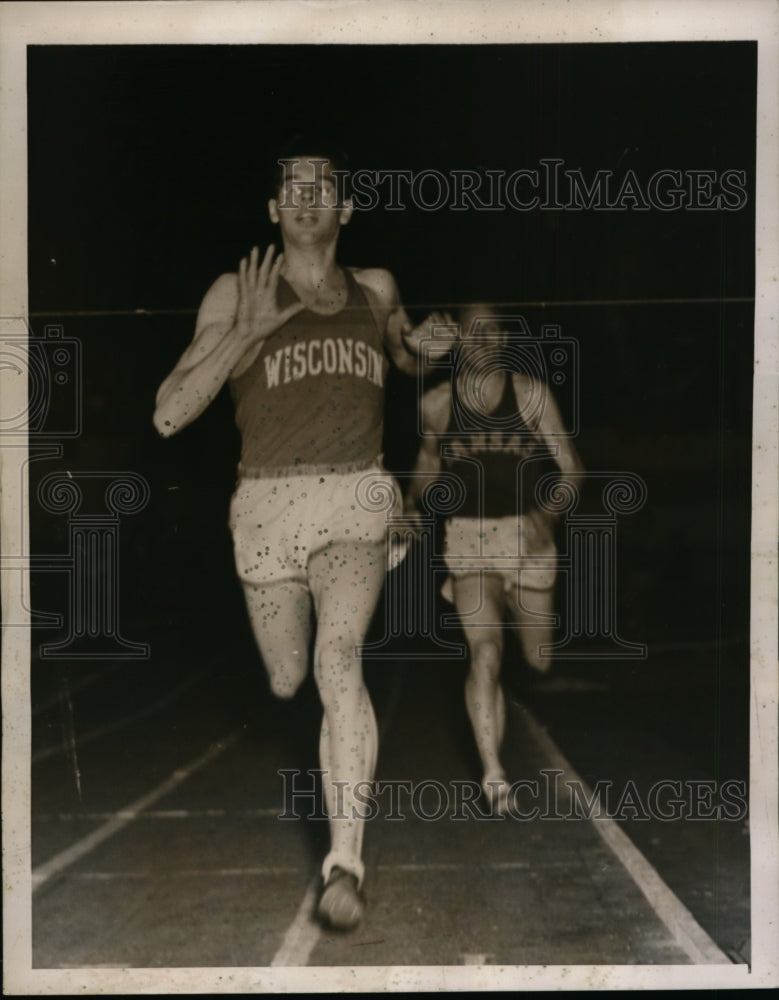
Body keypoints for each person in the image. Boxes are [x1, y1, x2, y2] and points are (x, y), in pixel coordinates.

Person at [153, 146, 452, 930]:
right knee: (287, 680)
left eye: (323, 187)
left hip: (354, 488)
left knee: (338, 658)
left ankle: (344, 860)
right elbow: (169, 412)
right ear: (273, 210)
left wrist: (423, 345)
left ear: (345, 210)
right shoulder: (235, 291)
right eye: (293, 187)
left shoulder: (375, 286)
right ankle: (337, 829)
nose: (308, 196)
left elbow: (400, 346)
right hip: (266, 504)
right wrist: (241, 334)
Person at [404, 305, 583, 813]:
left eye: (492, 331)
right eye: (471, 332)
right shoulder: (437, 403)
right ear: (455, 339)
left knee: (538, 659)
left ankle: (515, 667)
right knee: (484, 653)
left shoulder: (530, 395)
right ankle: (494, 773)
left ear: (505, 339)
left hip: (526, 537)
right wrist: (411, 503)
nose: (482, 341)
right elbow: (426, 465)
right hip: (469, 537)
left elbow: (572, 470)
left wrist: (545, 518)